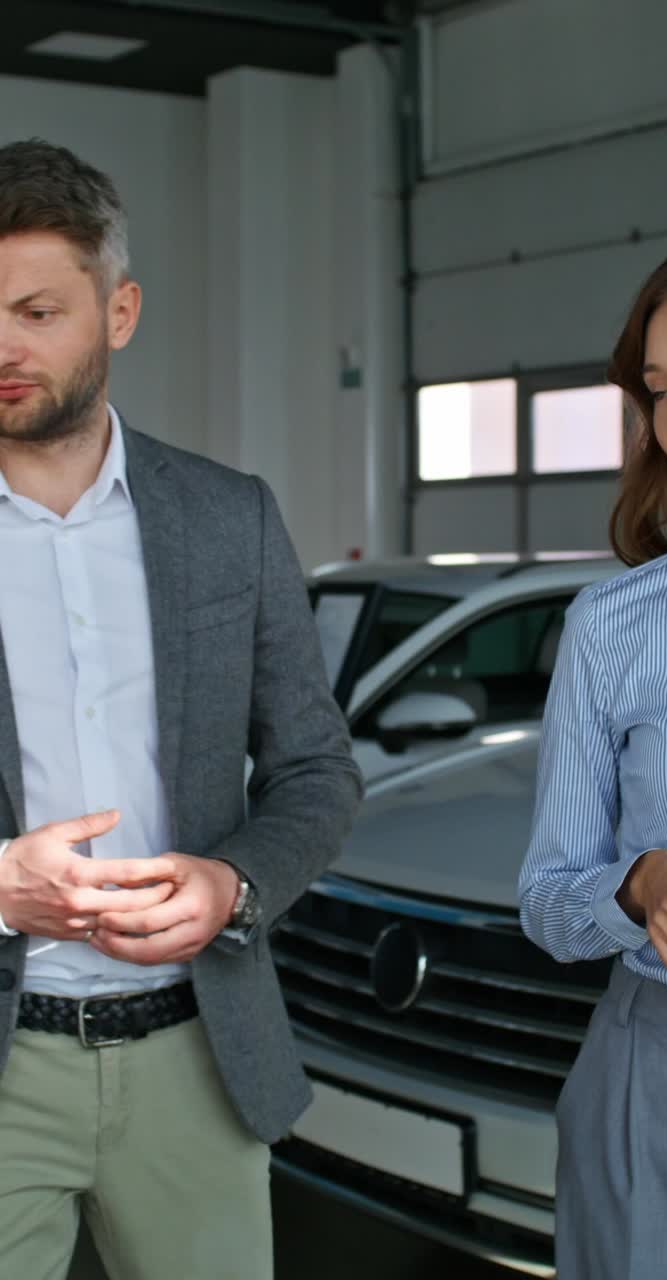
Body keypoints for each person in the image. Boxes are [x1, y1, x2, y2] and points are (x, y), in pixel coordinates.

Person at [0, 137, 362, 1280]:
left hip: (197, 1056)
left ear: (120, 311)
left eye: (38, 310)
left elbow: (315, 767)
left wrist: (233, 882)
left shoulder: (228, 518)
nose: (3, 346)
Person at [518, 236, 667, 1279]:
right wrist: (645, 882)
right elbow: (548, 901)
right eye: (658, 390)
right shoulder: (616, 624)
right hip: (662, 1076)